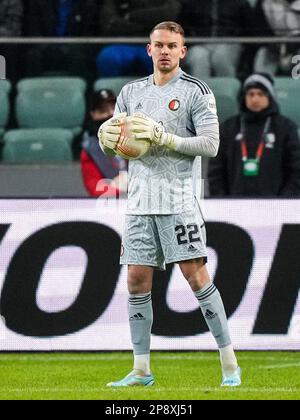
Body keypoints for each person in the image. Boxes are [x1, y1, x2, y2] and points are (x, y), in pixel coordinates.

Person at [98, 21, 241, 387]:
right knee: (136, 279)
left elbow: (210, 145)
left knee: (196, 278)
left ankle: (230, 365)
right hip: (140, 200)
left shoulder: (197, 92)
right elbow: (122, 141)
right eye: (158, 45)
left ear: (183, 51)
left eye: (171, 45)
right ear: (149, 49)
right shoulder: (131, 92)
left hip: (178, 199)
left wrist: (165, 136)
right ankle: (142, 370)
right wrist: (107, 140)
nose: (164, 51)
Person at [208, 73, 300, 197]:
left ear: (270, 97)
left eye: (260, 94)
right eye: (251, 94)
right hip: (233, 206)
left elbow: (295, 169)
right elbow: (216, 170)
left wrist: (285, 200)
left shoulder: (285, 127)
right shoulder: (229, 127)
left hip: (276, 206)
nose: (255, 99)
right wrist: (222, 199)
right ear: (244, 97)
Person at [96, 0, 180, 77]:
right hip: (122, 44)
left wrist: (129, 17)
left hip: (159, 45)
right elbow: (110, 24)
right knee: (108, 57)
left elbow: (168, 15)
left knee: (164, 58)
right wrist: (149, 25)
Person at [23, 0, 100, 80]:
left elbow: (87, 36)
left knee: (78, 56)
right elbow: (34, 32)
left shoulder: (87, 4)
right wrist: (47, 47)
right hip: (46, 46)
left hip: (75, 47)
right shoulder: (38, 2)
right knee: (32, 55)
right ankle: (34, 90)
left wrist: (70, 47)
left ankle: (77, 90)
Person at [179, 0, 254, 78]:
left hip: (230, 43)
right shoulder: (190, 3)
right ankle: (200, 89)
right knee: (198, 56)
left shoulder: (240, 2)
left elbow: (250, 30)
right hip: (198, 43)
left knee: (221, 56)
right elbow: (182, 29)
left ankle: (226, 89)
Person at [80, 89, 128, 198]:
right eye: (103, 110)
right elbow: (95, 188)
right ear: (93, 115)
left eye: (113, 108)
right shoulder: (90, 149)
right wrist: (117, 188)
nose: (111, 114)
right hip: (112, 206)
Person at [254, 0, 300, 76]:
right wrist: (275, 45)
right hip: (273, 45)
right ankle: (264, 83)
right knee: (263, 54)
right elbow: (258, 32)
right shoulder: (263, 3)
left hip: (297, 45)